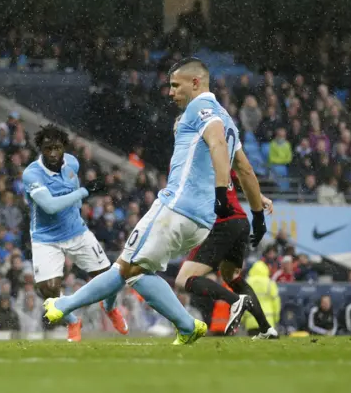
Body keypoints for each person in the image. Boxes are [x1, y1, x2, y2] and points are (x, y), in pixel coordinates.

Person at [44, 57, 241, 345]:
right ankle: (181, 324)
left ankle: (65, 306)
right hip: (202, 220)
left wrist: (223, 192)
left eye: (176, 85)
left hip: (176, 207)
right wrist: (257, 205)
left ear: (196, 83)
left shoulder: (203, 107)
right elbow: (244, 168)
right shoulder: (227, 118)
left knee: (130, 272)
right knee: (130, 266)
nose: (171, 92)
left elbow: (217, 142)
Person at [22, 124, 128, 342]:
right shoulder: (32, 174)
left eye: (57, 148)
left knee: (110, 279)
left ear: (64, 148)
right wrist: (82, 192)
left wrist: (78, 200)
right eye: (47, 148)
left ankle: (110, 308)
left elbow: (72, 186)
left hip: (76, 231)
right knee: (49, 291)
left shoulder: (72, 163)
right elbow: (50, 206)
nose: (52, 153)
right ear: (40, 149)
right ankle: (73, 321)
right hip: (46, 238)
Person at [175, 160, 277, 338]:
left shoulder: (190, 157)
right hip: (240, 222)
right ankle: (266, 329)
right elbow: (243, 177)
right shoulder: (219, 155)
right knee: (232, 277)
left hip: (221, 224)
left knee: (183, 279)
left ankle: (235, 301)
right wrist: (261, 198)